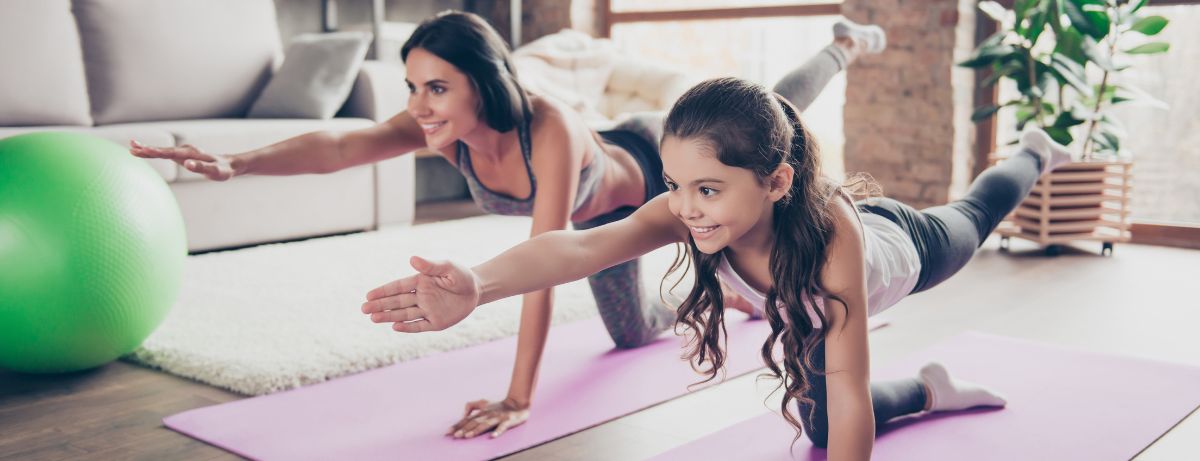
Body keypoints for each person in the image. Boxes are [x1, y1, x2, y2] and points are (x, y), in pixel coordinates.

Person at [130, 10, 889, 441]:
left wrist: (520, 393)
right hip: (610, 228)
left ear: (482, 83)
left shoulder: (546, 128)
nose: (420, 103)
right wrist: (239, 162)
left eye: (436, 86)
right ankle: (726, 285)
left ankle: (842, 44)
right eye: (412, 87)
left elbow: (550, 254)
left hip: (635, 180)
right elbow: (339, 143)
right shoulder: (442, 126)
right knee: (633, 334)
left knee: (776, 107)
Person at [360, 75, 1076, 457]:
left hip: (900, 249)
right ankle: (929, 391)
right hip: (813, 305)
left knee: (975, 217)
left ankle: (1034, 151)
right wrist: (479, 284)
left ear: (776, 181)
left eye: (708, 189)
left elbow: (851, 385)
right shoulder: (687, 210)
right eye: (675, 184)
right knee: (822, 433)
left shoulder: (831, 238)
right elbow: (579, 246)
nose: (687, 208)